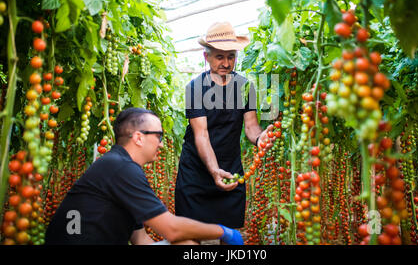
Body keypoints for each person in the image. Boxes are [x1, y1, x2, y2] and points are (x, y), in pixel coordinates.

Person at [45, 107, 243, 245]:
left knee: (187, 243)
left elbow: (141, 240)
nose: (162, 144)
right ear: (139, 137)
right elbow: (171, 229)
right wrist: (224, 231)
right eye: (158, 136)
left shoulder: (121, 165)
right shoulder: (121, 167)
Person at [175, 22, 271, 237]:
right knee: (190, 234)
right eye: (220, 56)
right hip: (196, 171)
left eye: (231, 56)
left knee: (229, 233)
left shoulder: (246, 87)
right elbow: (201, 135)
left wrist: (260, 138)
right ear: (206, 57)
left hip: (230, 168)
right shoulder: (195, 88)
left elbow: (251, 126)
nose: (226, 63)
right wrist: (213, 170)